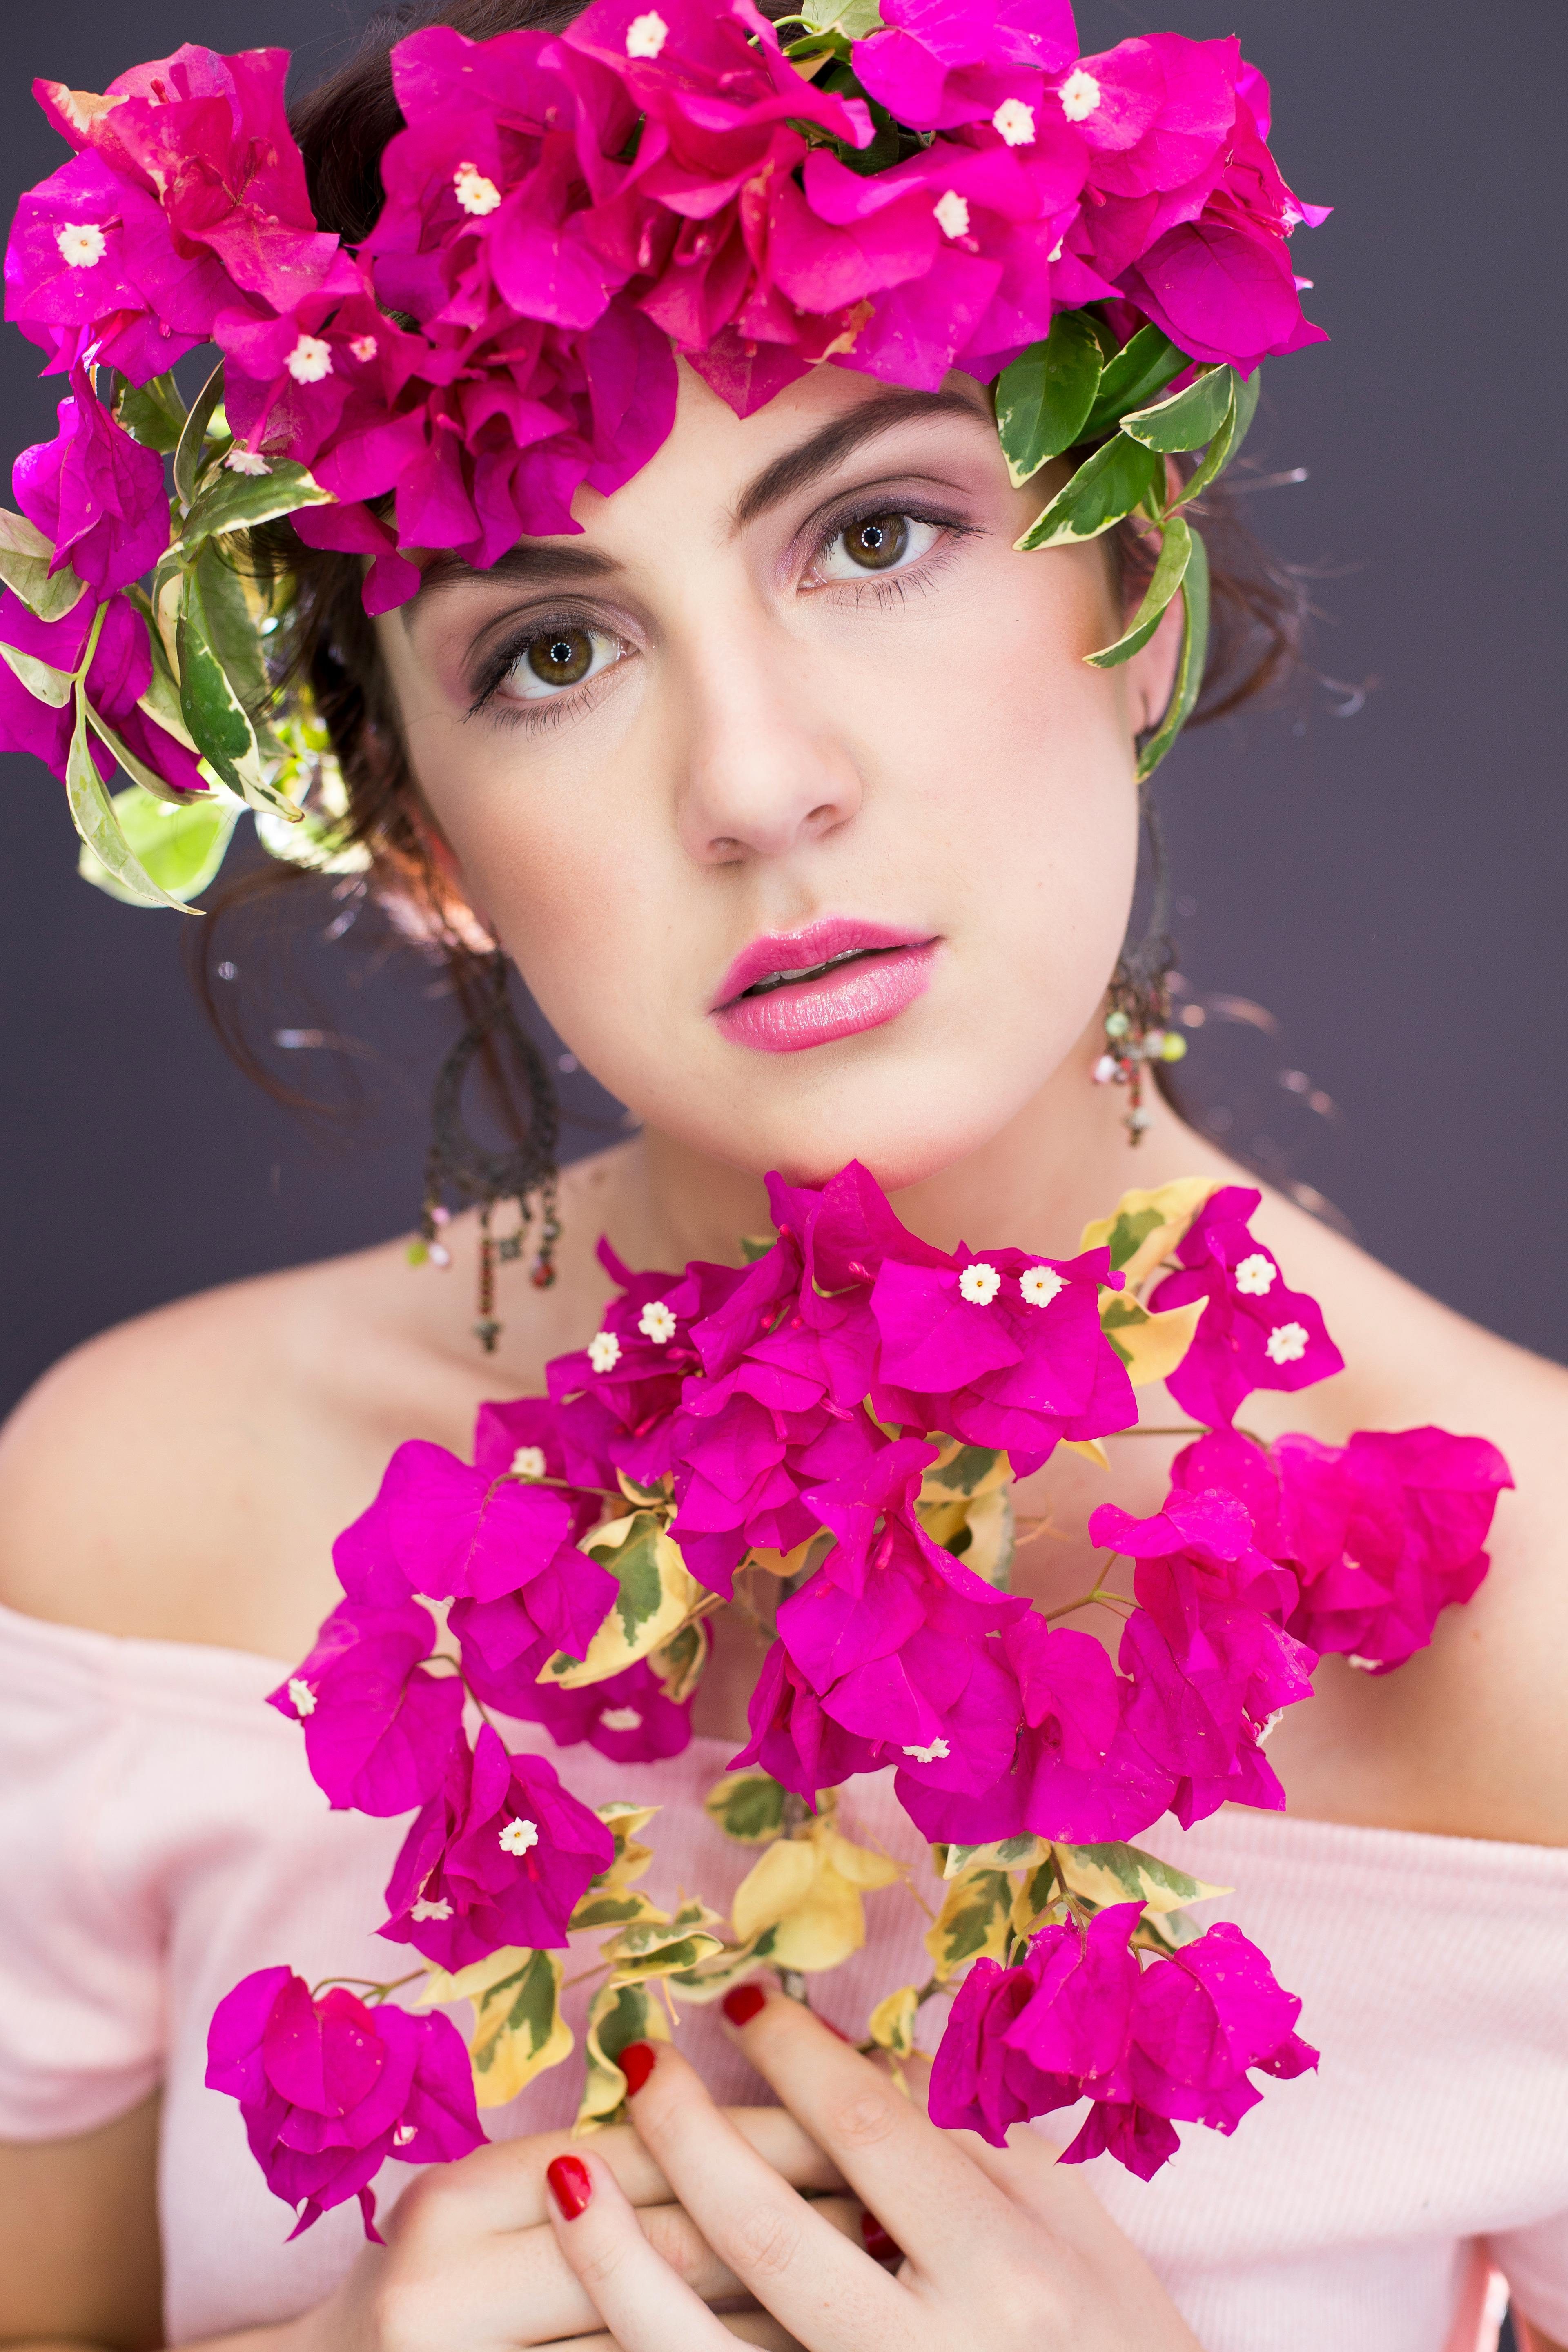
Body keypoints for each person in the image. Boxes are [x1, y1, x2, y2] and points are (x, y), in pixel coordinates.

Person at [0, 4, 1564, 2350]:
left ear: (1125, 591)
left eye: (882, 529)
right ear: (421, 836)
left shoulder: (1531, 1644)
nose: (756, 777)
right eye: (547, 652)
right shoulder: (146, 1512)